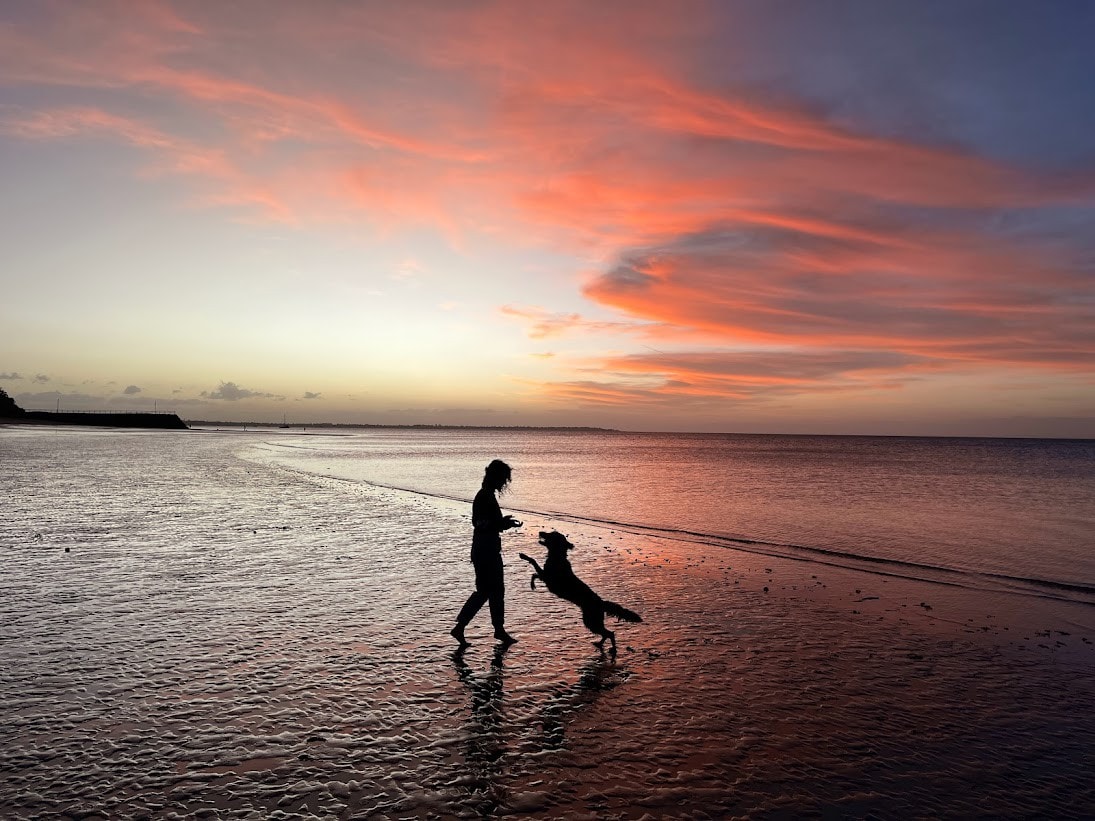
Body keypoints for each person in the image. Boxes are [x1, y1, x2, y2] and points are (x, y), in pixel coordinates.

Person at [452, 459, 521, 645]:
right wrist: (502, 524)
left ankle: (467, 628)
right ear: (495, 477)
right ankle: (490, 629)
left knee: (489, 591)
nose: (504, 483)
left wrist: (503, 523)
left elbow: (486, 523)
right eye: (503, 479)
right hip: (486, 552)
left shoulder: (486, 495)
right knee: (490, 591)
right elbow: (480, 524)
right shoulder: (484, 496)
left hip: (484, 550)